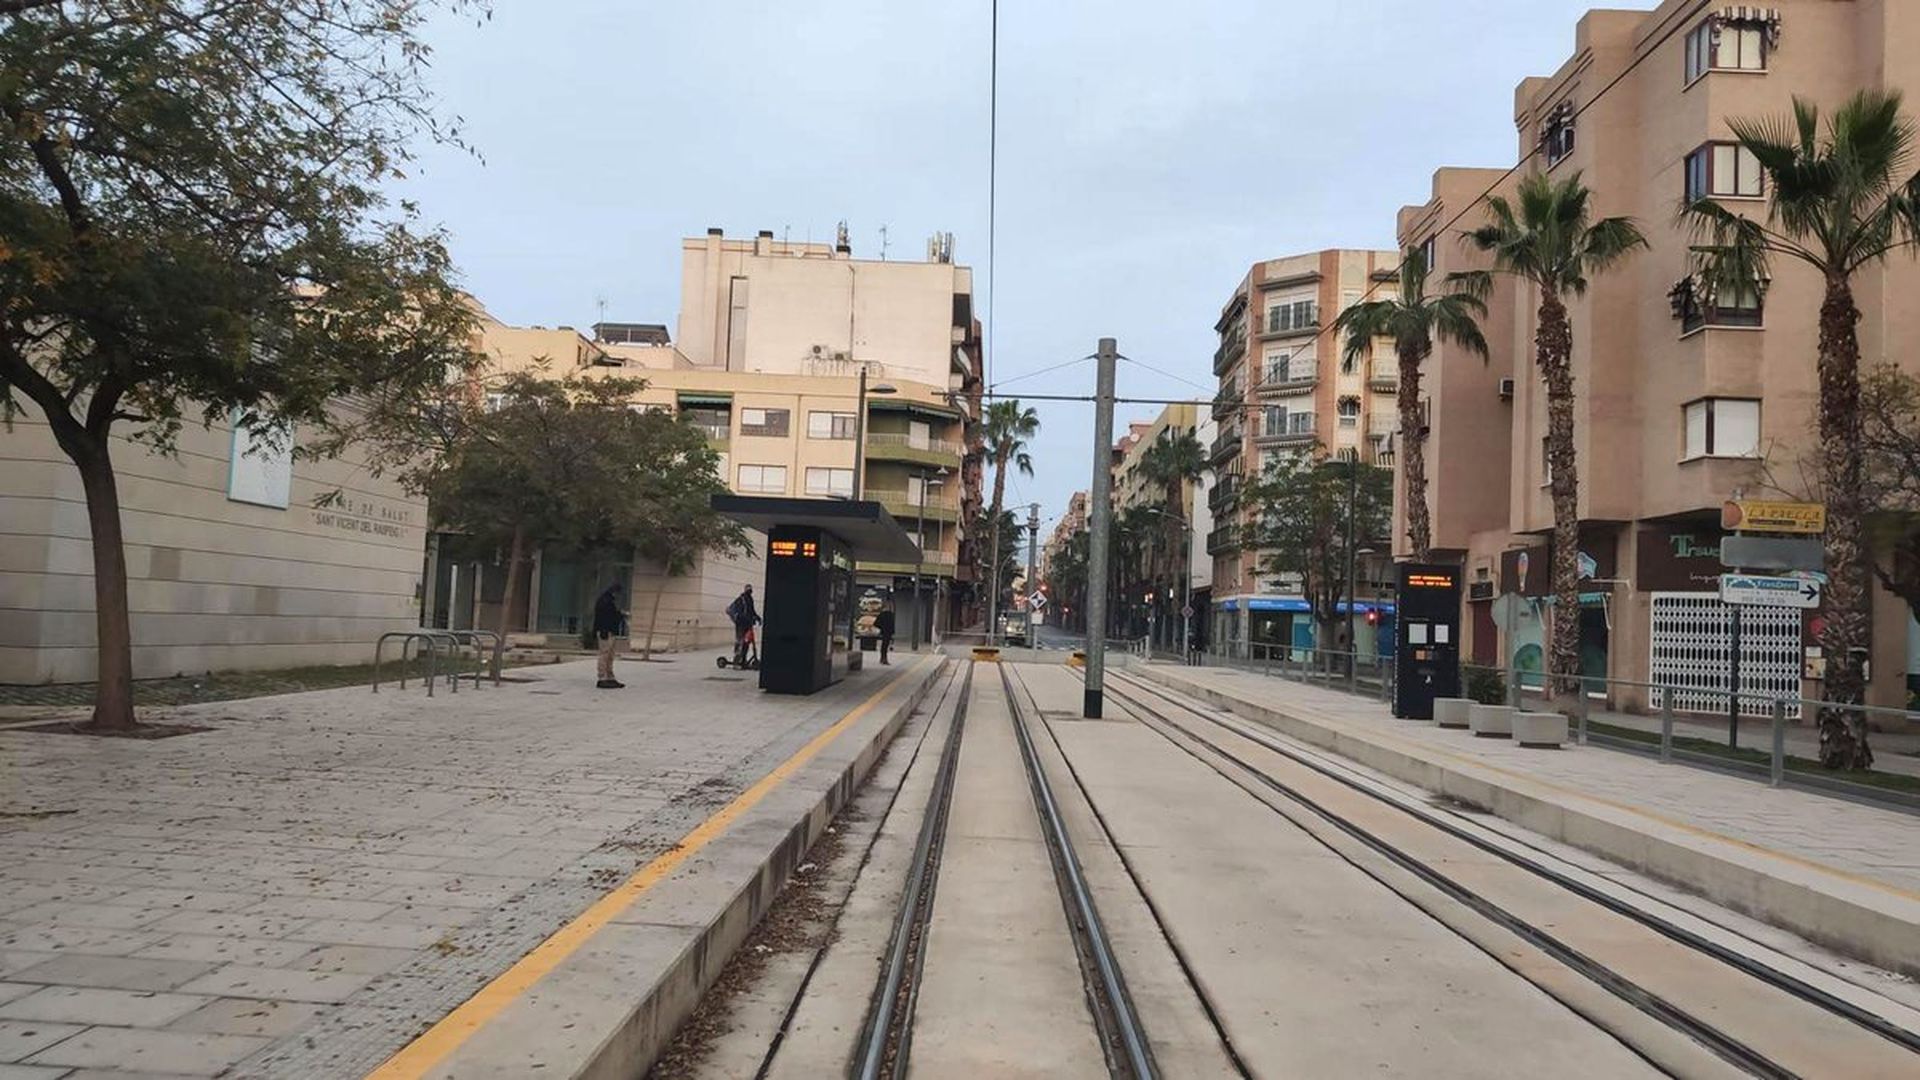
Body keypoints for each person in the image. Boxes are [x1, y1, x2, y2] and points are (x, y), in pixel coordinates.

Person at [592, 583, 626, 689]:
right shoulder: (605, 601)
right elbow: (605, 617)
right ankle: (602, 677)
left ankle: (610, 677)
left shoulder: (608, 601)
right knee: (604, 654)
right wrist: (620, 615)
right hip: (605, 631)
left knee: (610, 655)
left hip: (609, 631)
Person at [726, 584, 760, 668]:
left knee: (747, 642)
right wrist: (745, 618)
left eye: (750, 589)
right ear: (745, 590)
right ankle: (736, 661)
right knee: (740, 641)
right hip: (741, 624)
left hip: (748, 624)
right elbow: (739, 613)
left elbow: (752, 611)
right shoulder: (740, 599)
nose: (750, 591)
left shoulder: (750, 599)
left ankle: (744, 659)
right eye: (748, 589)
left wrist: (757, 618)